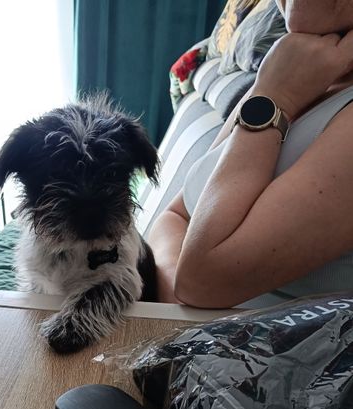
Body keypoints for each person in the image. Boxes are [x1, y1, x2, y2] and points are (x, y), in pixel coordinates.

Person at [148, 0, 353, 309]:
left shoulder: (278, 88)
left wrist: (276, 98)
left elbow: (203, 282)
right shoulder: (289, 70)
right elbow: (174, 216)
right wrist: (174, 299)